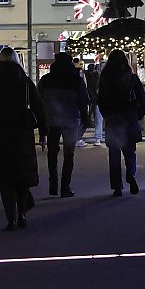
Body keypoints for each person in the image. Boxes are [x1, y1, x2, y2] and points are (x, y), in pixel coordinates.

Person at [0, 47, 47, 231]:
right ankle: (22, 214)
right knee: (22, 177)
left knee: (5, 180)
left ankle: (11, 217)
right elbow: (39, 107)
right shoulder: (25, 82)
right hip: (22, 136)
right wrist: (43, 132)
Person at [37, 52, 89, 197]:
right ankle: (65, 187)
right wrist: (85, 119)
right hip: (71, 120)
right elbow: (83, 101)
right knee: (69, 154)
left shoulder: (46, 80)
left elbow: (39, 101)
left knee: (52, 153)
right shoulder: (76, 80)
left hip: (52, 120)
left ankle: (53, 184)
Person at [97, 49, 145, 197]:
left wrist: (106, 115)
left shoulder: (105, 79)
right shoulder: (132, 78)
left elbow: (101, 101)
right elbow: (142, 100)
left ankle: (117, 187)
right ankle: (131, 174)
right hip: (129, 118)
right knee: (130, 152)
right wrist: (137, 115)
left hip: (113, 120)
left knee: (114, 155)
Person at [85, 63, 103, 146]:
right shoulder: (97, 76)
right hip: (100, 100)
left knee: (98, 119)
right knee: (99, 118)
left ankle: (98, 138)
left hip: (97, 100)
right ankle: (98, 137)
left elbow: (91, 88)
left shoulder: (92, 76)